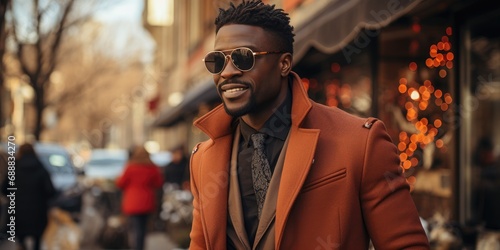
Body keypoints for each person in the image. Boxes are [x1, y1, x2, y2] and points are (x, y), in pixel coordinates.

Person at [188, 1, 430, 249]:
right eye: (217, 61)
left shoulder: (360, 142)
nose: (227, 72)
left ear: (284, 64)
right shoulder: (203, 160)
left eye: (243, 58)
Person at [2, 143, 56, 250]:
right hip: (38, 213)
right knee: (37, 239)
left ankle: (22, 246)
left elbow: (4, 189)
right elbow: (50, 191)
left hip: (18, 213)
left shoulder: (14, 168)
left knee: (20, 236)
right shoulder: (41, 167)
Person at [116, 145, 163, 250]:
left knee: (135, 228)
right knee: (142, 228)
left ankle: (136, 246)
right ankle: (139, 246)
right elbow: (158, 183)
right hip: (147, 202)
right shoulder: (152, 167)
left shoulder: (130, 167)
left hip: (132, 202)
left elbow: (120, 183)